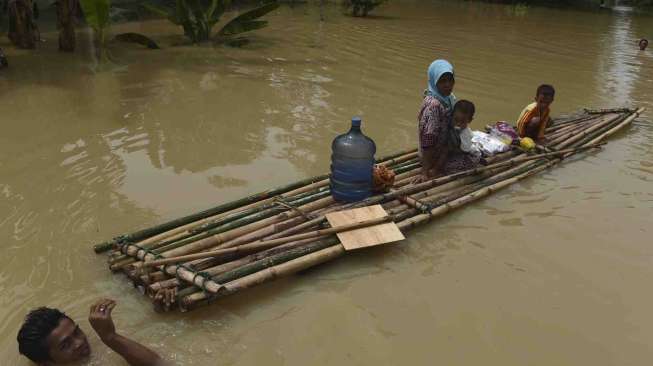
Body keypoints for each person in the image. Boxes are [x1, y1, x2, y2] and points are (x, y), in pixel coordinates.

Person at [17, 298, 164, 365]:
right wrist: (110, 338)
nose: (80, 342)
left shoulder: (96, 346)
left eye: (77, 332)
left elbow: (160, 364)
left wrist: (110, 337)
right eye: (65, 345)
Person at [416, 59, 480, 182]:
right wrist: (425, 172)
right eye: (442, 81)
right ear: (434, 81)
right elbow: (428, 138)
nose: (447, 85)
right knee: (474, 159)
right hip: (433, 156)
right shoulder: (434, 105)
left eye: (450, 80)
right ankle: (437, 168)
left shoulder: (448, 98)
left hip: (444, 147)